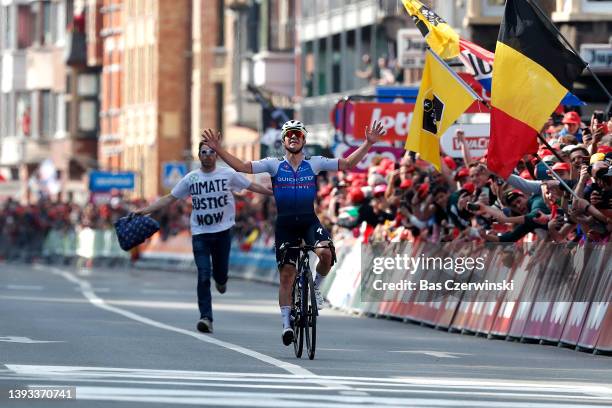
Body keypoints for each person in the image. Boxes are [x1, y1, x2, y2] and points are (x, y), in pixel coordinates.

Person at [202, 120, 386, 346]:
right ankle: (286, 325)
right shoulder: (273, 165)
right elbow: (241, 167)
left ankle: (316, 288)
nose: (293, 138)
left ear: (304, 140)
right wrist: (219, 149)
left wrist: (368, 143)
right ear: (283, 140)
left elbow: (347, 163)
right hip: (286, 225)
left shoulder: (315, 163)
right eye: (289, 135)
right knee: (287, 274)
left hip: (309, 221)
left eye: (297, 134)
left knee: (326, 254)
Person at [133, 133, 273, 334]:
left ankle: (222, 280)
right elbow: (170, 198)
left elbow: (251, 186)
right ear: (199, 156)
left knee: (220, 274)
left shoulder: (227, 174)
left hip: (223, 232)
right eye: (203, 152)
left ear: (216, 156)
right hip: (200, 233)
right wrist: (145, 210)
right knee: (203, 274)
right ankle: (206, 317)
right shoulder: (191, 178)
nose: (207, 155)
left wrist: (275, 192)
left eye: (211, 152)